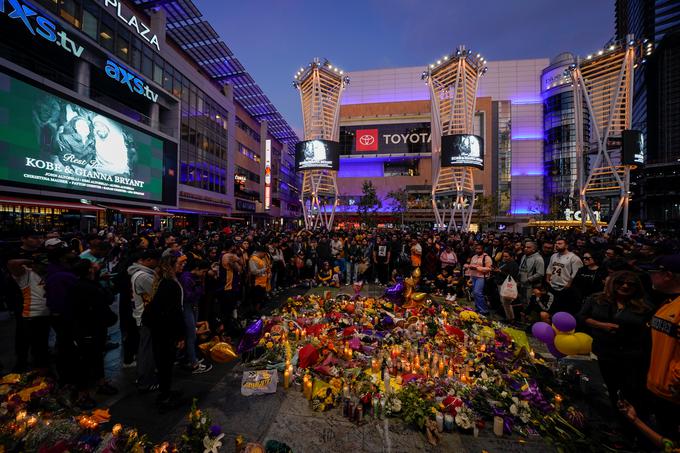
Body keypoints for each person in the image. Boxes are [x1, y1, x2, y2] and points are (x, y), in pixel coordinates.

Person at [577, 271, 653, 412]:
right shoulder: (597, 299)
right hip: (604, 351)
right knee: (609, 386)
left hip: (631, 355)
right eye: (621, 283)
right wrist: (602, 325)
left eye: (630, 284)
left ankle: (633, 421)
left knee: (630, 390)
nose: (625, 286)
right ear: (613, 284)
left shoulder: (645, 307)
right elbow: (582, 317)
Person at [641, 254, 680, 442]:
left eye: (653, 272)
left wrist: (674, 381)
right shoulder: (668, 301)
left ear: (668, 275)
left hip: (672, 395)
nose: (650, 277)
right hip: (658, 388)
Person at [70, 259, 118, 407]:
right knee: (85, 362)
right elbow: (103, 303)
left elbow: (108, 299)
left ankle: (101, 383)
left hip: (96, 328)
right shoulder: (85, 287)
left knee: (97, 356)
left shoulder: (91, 284)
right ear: (90, 270)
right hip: (87, 329)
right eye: (92, 265)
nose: (96, 266)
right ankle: (82, 395)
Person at [145, 253, 186, 411]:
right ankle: (164, 398)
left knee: (166, 363)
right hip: (166, 330)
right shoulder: (170, 284)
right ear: (171, 265)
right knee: (165, 362)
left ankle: (166, 391)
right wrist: (180, 335)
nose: (182, 266)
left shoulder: (164, 282)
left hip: (161, 329)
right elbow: (174, 312)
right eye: (179, 264)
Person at [127, 249, 160, 392]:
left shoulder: (142, 274)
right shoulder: (143, 276)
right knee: (147, 349)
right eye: (156, 261)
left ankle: (144, 376)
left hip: (144, 315)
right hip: (146, 317)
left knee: (145, 348)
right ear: (148, 260)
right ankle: (145, 380)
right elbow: (157, 293)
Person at [178, 259, 212, 374]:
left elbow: (201, 292)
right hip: (188, 306)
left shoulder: (195, 277)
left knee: (192, 333)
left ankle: (191, 357)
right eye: (203, 272)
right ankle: (193, 363)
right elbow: (188, 296)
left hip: (194, 305)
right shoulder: (186, 278)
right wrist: (198, 287)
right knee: (191, 334)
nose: (204, 274)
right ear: (197, 269)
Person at [546, 238, 583, 315]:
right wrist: (547, 279)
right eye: (556, 243)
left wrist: (568, 284)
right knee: (552, 309)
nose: (557, 245)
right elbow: (550, 268)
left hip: (565, 288)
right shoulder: (554, 256)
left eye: (560, 243)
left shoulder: (574, 258)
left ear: (566, 246)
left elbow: (576, 274)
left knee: (563, 310)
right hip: (553, 286)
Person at [463, 243, 492, 316]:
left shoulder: (486, 257)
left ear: (482, 249)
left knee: (477, 292)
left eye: (479, 249)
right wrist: (470, 276)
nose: (477, 250)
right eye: (476, 248)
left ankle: (484, 310)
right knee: (474, 293)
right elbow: (471, 266)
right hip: (474, 276)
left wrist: (477, 268)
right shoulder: (474, 257)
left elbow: (489, 268)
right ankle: (478, 308)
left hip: (481, 277)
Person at [492, 250, 520, 322]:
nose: (504, 258)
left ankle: (511, 319)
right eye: (503, 256)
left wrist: (500, 271)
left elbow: (512, 276)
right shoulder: (504, 263)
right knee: (504, 302)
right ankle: (508, 318)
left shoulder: (513, 264)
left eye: (506, 256)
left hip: (507, 285)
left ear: (511, 257)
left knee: (507, 303)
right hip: (500, 283)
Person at [518, 241, 544, 307]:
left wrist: (528, 279)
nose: (525, 248)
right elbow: (521, 268)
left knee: (529, 303)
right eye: (525, 247)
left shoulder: (538, 259)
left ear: (534, 249)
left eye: (528, 247)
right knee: (522, 301)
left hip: (531, 285)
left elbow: (540, 273)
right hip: (522, 283)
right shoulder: (524, 256)